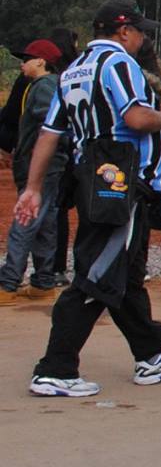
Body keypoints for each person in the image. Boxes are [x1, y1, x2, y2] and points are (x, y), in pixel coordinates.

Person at [15, 0, 161, 398]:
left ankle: (150, 355)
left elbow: (49, 134)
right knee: (97, 274)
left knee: (126, 273)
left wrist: (33, 186)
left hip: (94, 180)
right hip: (123, 184)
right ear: (124, 32)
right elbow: (136, 119)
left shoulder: (72, 71)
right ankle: (56, 369)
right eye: (140, 32)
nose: (143, 39)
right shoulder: (119, 65)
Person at [3, 40, 66, 292]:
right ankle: (43, 281)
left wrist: (34, 158)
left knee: (26, 217)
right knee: (46, 221)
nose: (22, 63)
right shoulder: (46, 86)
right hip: (48, 165)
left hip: (40, 166)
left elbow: (49, 127)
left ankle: (7, 283)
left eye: (27, 58)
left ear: (41, 62)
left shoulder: (43, 87)